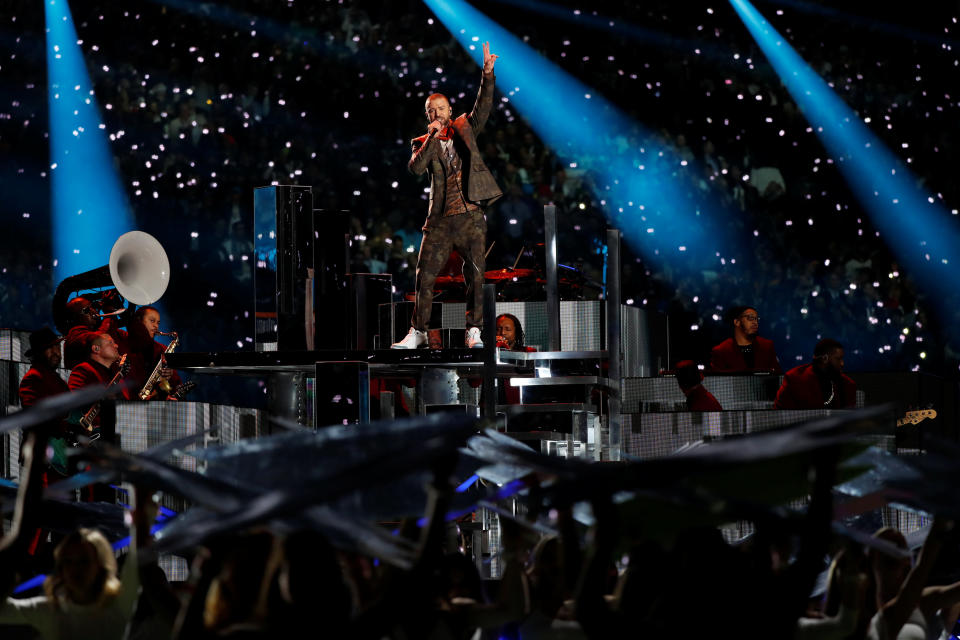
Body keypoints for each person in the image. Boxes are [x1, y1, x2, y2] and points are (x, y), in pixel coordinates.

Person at [392, 41, 503, 350]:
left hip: (469, 216)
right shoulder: (422, 142)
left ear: (450, 110)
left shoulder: (465, 127)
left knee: (476, 277)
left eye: (441, 109)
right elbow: (415, 169)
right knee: (424, 276)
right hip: (439, 220)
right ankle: (419, 332)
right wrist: (431, 135)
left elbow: (483, 106)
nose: (437, 113)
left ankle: (474, 331)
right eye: (431, 110)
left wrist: (488, 74)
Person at [774, 338, 856, 409]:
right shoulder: (795, 380)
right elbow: (779, 414)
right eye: (838, 359)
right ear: (825, 359)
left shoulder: (847, 385)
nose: (842, 364)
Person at [127, 305, 183, 401]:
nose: (156, 326)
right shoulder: (123, 340)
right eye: (152, 321)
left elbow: (176, 384)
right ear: (139, 321)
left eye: (158, 323)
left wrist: (170, 375)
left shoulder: (162, 349)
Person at [63, 294, 128, 370]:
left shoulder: (100, 330)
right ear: (75, 317)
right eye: (87, 310)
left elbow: (135, 340)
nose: (94, 311)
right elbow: (101, 339)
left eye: (93, 307)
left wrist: (126, 315)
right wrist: (109, 312)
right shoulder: (74, 337)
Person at [708, 305, 781, 373]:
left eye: (756, 319)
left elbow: (777, 376)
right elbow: (717, 382)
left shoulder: (767, 346)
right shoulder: (721, 351)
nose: (755, 322)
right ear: (737, 322)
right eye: (750, 318)